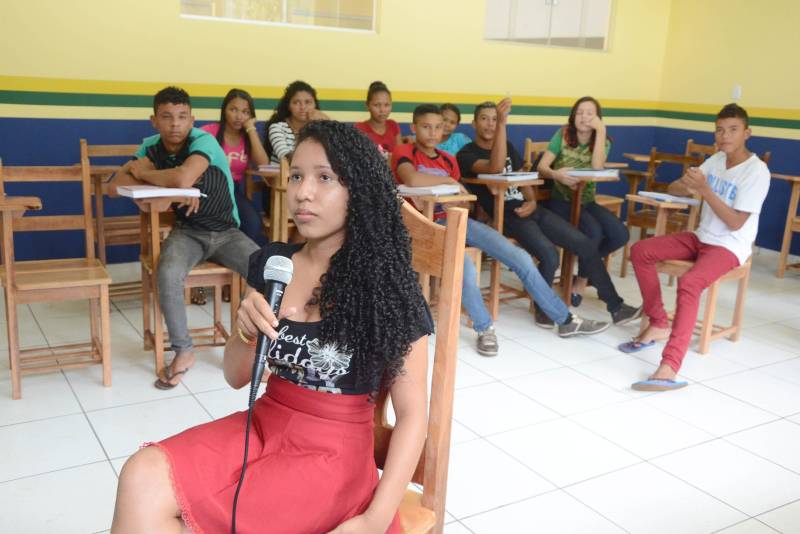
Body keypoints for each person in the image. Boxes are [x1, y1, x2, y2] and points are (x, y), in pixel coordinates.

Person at [112, 120, 433, 533]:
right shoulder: (274, 265)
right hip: (265, 424)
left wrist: (372, 520)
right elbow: (234, 376)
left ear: (359, 191)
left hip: (333, 452)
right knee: (141, 475)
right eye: (297, 175)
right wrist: (245, 333)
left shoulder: (389, 288)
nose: (303, 192)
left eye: (325, 178)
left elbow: (412, 417)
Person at [393, 103, 609, 357]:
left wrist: (457, 192)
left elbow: (464, 199)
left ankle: (565, 320)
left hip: (456, 220)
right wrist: (449, 181)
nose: (432, 133)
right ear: (414, 127)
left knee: (520, 257)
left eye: (438, 127)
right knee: (465, 266)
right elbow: (412, 179)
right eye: (426, 127)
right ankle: (485, 329)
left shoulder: (448, 160)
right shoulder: (404, 150)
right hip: (422, 226)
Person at [108, 86, 259, 389]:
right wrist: (154, 176)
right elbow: (115, 185)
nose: (175, 124)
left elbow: (183, 178)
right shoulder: (150, 145)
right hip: (188, 232)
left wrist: (148, 174)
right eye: (167, 117)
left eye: (182, 117)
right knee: (167, 273)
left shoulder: (202, 140)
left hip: (227, 232)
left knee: (265, 269)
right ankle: (184, 351)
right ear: (154, 120)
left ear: (192, 119)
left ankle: (254, 349)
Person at [621, 103, 770, 391]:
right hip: (702, 237)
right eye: (719, 130)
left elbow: (736, 223)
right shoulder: (714, 160)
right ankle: (659, 321)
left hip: (730, 246)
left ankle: (669, 367)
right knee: (641, 250)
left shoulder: (756, 171)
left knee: (689, 283)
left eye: (733, 130)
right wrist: (684, 184)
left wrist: (704, 190)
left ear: (747, 133)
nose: (725, 136)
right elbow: (678, 189)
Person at [458, 100, 641, 328]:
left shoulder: (508, 147)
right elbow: (494, 169)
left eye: (495, 119)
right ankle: (543, 308)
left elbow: (522, 176)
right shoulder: (466, 153)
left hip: (532, 209)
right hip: (507, 216)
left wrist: (533, 201)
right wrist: (504, 126)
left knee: (585, 243)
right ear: (473, 123)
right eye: (484, 119)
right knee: (549, 254)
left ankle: (616, 306)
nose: (490, 124)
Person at [537, 96, 629, 307]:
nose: (584, 117)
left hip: (586, 201)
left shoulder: (603, 140)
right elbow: (543, 167)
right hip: (561, 201)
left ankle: (584, 274)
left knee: (620, 234)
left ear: (598, 118)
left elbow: (597, 168)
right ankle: (580, 282)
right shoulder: (563, 134)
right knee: (594, 233)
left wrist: (601, 131)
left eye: (590, 113)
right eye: (579, 113)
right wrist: (557, 175)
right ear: (573, 116)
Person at [200, 88, 269, 246]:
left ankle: (237, 266)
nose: (239, 116)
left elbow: (263, 165)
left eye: (245, 112)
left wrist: (251, 129)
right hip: (207, 188)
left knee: (252, 223)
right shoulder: (208, 132)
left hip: (233, 190)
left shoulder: (248, 137)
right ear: (224, 110)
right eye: (233, 110)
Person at [264, 80, 329, 163]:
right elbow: (286, 157)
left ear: (315, 105)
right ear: (289, 106)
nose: (303, 107)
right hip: (281, 174)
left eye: (308, 102)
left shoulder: (318, 128)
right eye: (296, 102)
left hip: (309, 174)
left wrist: (326, 122)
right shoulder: (277, 128)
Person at [355, 81, 402, 154]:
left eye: (386, 105)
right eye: (377, 105)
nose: (382, 110)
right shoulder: (360, 129)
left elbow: (400, 155)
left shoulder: (393, 125)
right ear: (367, 105)